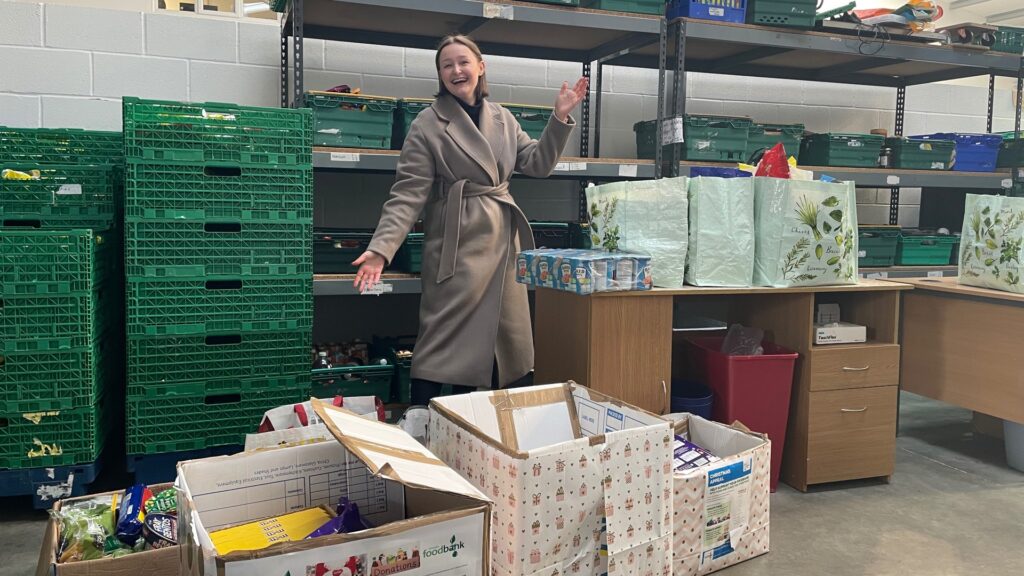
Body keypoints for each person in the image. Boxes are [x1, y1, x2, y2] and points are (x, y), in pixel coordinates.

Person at [352, 34, 587, 405]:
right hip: (457, 243)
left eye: (463, 62)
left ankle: (499, 420)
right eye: (447, 65)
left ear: (480, 66)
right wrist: (381, 250)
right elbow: (408, 194)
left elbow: (537, 164)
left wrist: (558, 119)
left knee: (507, 339)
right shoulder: (427, 124)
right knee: (443, 338)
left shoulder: (502, 118)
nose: (456, 70)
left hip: (503, 241)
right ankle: (422, 417)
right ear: (440, 75)